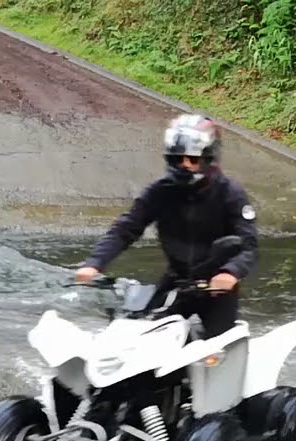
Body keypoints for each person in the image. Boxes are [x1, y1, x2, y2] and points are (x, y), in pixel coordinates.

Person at [74, 114, 258, 336]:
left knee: (220, 346)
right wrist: (94, 264)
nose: (185, 165)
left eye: (192, 159)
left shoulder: (231, 194)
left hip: (217, 289)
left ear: (209, 158)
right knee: (141, 333)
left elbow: (249, 246)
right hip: (176, 282)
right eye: (178, 159)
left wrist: (231, 272)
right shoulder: (160, 191)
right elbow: (126, 228)